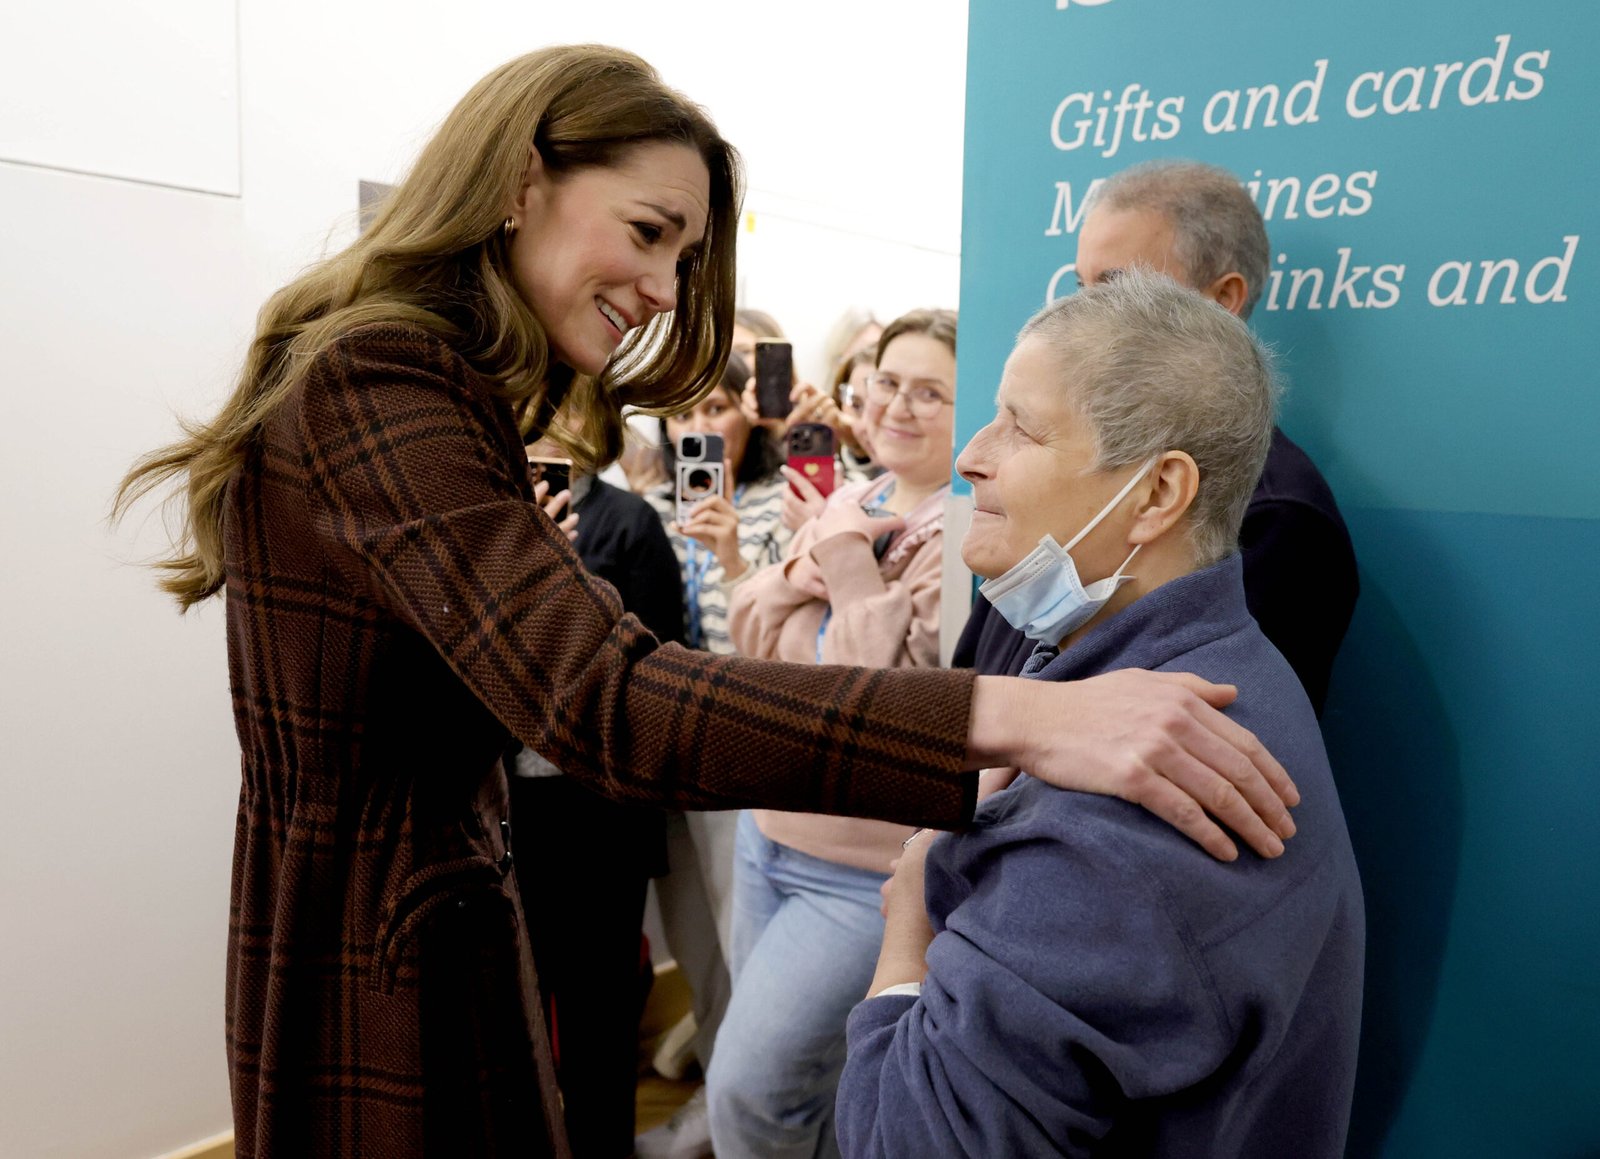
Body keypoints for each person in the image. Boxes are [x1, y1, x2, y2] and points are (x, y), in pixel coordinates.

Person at [113, 47, 1298, 1159]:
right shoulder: (383, 377)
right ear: (522, 179)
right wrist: (1023, 717)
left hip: (423, 910)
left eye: (682, 255)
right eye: (647, 233)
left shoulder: (425, 386)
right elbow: (607, 699)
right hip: (380, 941)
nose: (663, 288)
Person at [837, 271, 1364, 1158]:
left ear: (1157, 495)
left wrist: (909, 925)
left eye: (1021, 427)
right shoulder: (1207, 661)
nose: (972, 454)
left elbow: (902, 1141)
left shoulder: (1124, 824)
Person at [952, 159, 1359, 714]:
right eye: (1080, 285)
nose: (1078, 312)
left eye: (1116, 288)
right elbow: (970, 693)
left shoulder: (1277, 515)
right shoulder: (1029, 504)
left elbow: (1196, 739)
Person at [710, 309, 956, 1158]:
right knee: (794, 1091)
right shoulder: (857, 495)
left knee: (750, 1095)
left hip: (864, 873)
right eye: (889, 382)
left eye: (932, 391)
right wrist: (807, 570)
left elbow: (883, 702)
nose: (900, 405)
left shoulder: (961, 532)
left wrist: (841, 561)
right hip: (767, 830)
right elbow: (751, 635)